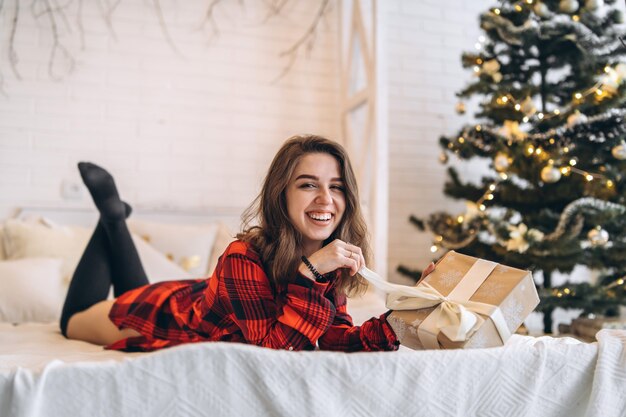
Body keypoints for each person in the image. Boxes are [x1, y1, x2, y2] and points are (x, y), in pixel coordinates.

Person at [60, 135, 415, 352]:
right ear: (281, 195)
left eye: (336, 187)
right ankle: (112, 220)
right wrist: (309, 272)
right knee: (70, 322)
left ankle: (114, 219)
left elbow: (331, 337)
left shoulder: (327, 263)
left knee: (128, 287)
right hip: (166, 316)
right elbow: (274, 350)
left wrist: (398, 322)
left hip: (197, 299)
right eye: (308, 185)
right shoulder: (243, 256)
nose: (326, 198)